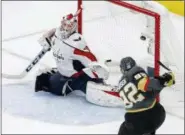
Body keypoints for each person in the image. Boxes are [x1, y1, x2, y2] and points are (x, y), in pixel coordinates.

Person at [34, 11, 123, 107]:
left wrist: (97, 71)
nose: (65, 28)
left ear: (73, 27)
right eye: (64, 24)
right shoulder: (57, 34)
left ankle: (116, 93)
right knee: (42, 79)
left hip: (76, 78)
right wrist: (46, 37)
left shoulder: (76, 42)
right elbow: (51, 34)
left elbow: (91, 59)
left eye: (68, 25)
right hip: (61, 77)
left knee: (93, 89)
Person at [117, 57, 175, 135]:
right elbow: (145, 84)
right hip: (152, 114)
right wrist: (164, 80)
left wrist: (160, 81)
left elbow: (143, 84)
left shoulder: (121, 82)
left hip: (141, 118)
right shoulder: (135, 72)